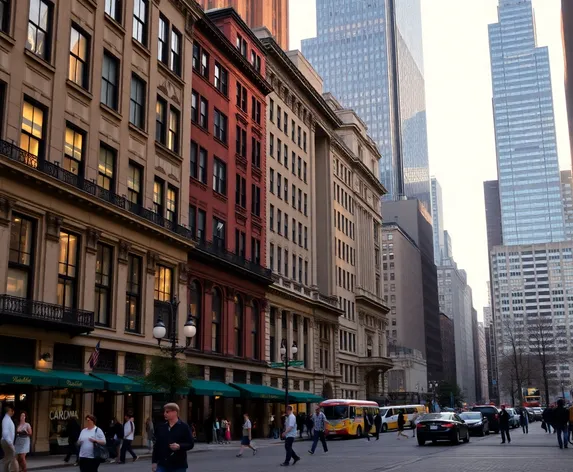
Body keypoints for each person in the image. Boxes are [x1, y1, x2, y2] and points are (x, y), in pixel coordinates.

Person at [151, 403, 194, 472]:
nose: (165, 413)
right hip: (162, 464)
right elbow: (156, 446)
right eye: (164, 411)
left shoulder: (184, 427)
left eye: (167, 412)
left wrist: (179, 446)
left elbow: (190, 444)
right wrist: (154, 462)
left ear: (175, 412)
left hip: (178, 466)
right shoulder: (161, 427)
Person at [1, 405, 16, 472]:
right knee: (9, 458)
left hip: (6, 441)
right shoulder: (6, 420)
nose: (13, 412)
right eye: (12, 411)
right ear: (9, 411)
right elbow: (5, 433)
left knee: (8, 459)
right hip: (6, 441)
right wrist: (10, 443)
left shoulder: (7, 419)